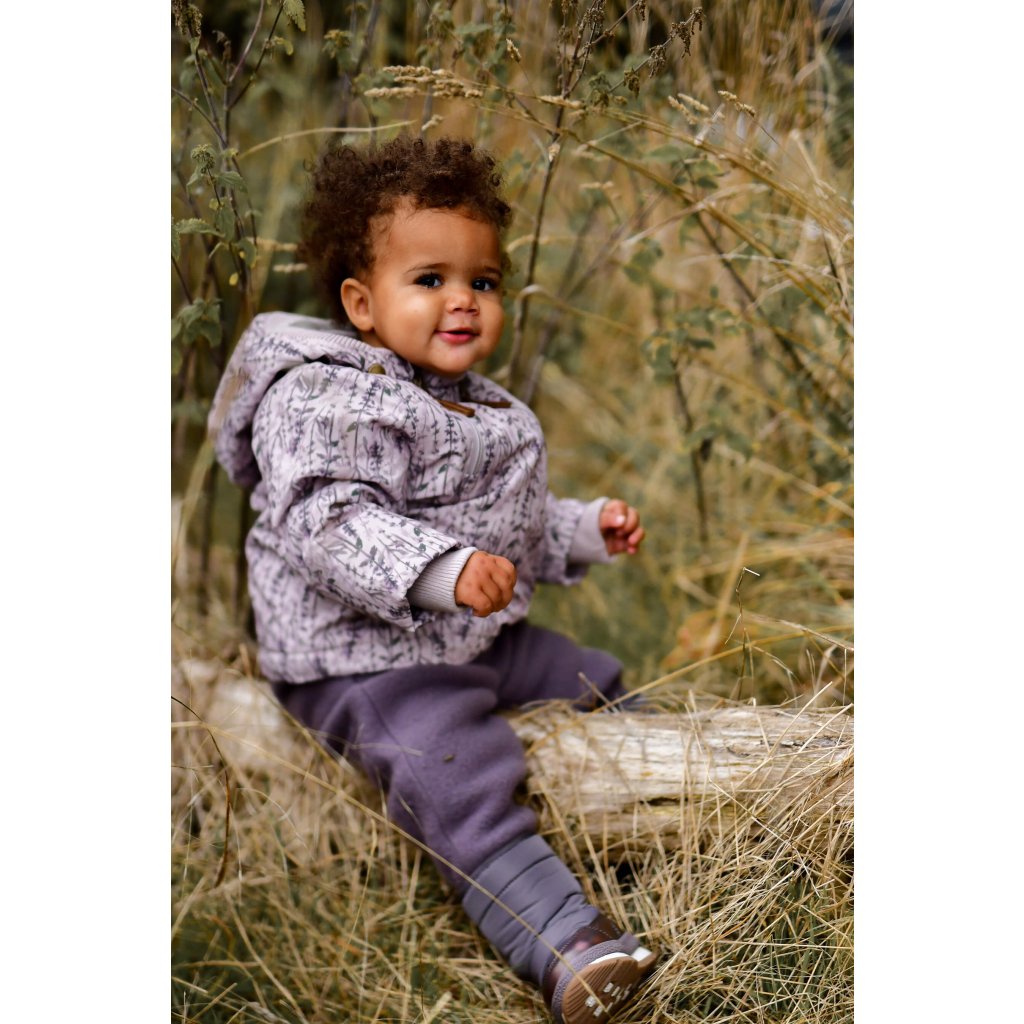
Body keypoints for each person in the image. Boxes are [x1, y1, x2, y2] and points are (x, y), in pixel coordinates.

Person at [209, 134, 658, 1024]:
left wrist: (579, 530)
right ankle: (563, 941)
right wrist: (440, 571)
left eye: (482, 281)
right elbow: (330, 521)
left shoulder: (475, 404)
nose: (462, 300)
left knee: (584, 673)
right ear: (361, 302)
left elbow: (501, 526)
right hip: (365, 660)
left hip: (467, 632)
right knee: (450, 765)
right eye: (429, 280)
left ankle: (667, 807)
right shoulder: (324, 398)